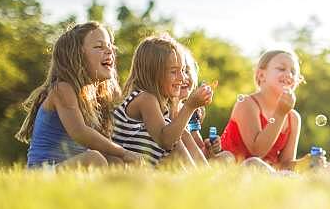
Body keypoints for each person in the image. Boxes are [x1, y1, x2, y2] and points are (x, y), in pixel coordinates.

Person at [17, 22, 141, 168]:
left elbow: (103, 142)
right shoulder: (62, 89)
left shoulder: (94, 97)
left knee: (115, 160)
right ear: (77, 56)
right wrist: (124, 152)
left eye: (110, 46)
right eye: (99, 47)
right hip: (43, 172)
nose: (109, 51)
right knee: (95, 159)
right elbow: (80, 132)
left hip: (68, 168)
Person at [220, 49, 330, 173]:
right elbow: (256, 151)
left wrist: (304, 163)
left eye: (293, 72)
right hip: (240, 171)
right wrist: (280, 113)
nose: (289, 74)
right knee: (254, 163)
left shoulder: (293, 117)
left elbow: (285, 165)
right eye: (281, 69)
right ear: (262, 75)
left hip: (271, 174)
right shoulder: (247, 104)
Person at [112, 34, 212, 166]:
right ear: (153, 73)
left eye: (182, 70)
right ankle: (201, 180)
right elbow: (166, 141)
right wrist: (189, 106)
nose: (182, 77)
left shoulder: (160, 105)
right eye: (174, 71)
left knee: (182, 134)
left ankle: (205, 177)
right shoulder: (146, 99)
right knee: (176, 138)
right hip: (127, 168)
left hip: (148, 167)